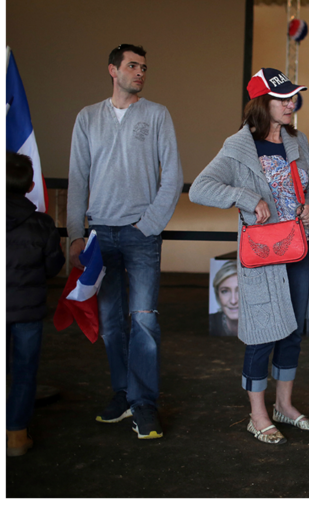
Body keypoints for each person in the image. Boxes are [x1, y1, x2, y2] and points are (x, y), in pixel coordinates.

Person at [190, 68, 309, 445]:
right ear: (261, 103)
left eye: (292, 97)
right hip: (264, 255)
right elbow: (201, 188)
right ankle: (258, 414)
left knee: (293, 332)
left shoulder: (299, 142)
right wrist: (247, 198)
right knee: (262, 334)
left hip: (298, 247)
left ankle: (284, 405)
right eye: (282, 99)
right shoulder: (237, 147)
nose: (290, 104)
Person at [67, 44, 183, 439]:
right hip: (100, 235)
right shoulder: (87, 118)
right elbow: (78, 178)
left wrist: (149, 224)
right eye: (132, 66)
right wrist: (76, 234)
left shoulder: (157, 115)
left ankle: (145, 405)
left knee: (145, 321)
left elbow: (172, 176)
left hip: (140, 234)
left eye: (144, 67)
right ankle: (122, 394)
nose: (140, 73)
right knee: (113, 324)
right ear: (113, 70)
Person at [7, 152, 66, 456]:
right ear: (31, 185)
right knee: (24, 370)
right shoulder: (43, 224)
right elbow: (53, 267)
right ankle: (16, 436)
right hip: (28, 310)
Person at [210, 260, 240, 337]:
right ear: (218, 295)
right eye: (225, 291)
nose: (233, 301)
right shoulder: (210, 323)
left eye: (240, 291)